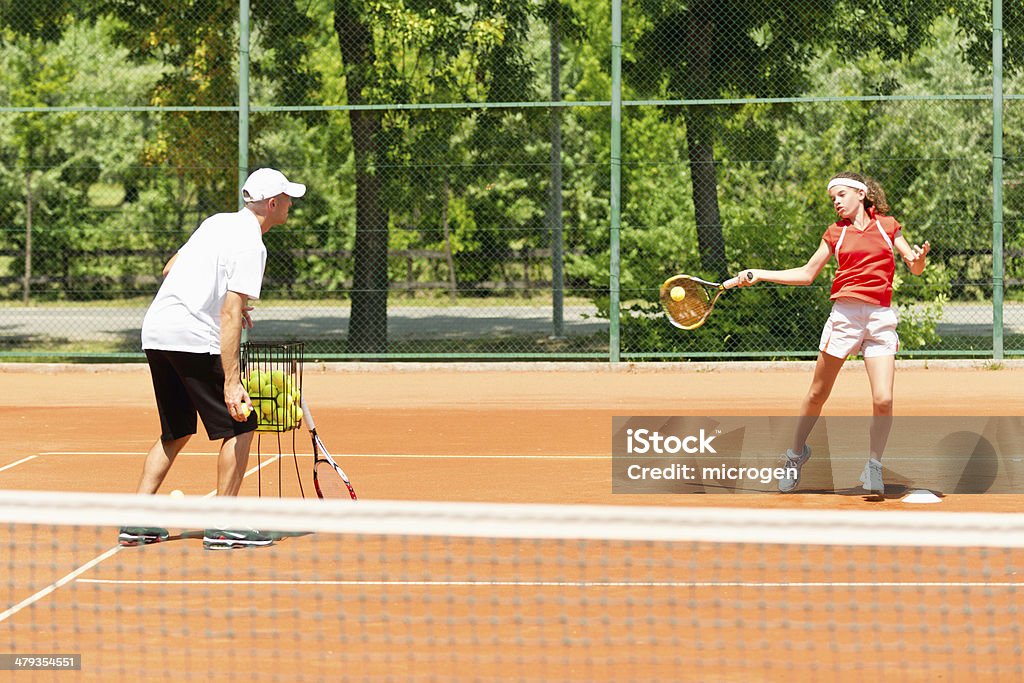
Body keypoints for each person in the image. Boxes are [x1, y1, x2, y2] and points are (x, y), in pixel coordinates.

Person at [118, 168, 306, 550]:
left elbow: (171, 268)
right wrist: (232, 381)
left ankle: (136, 522)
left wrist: (223, 300)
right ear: (272, 205)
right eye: (287, 198)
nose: (290, 203)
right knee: (242, 423)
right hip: (192, 338)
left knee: (177, 430)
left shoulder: (216, 223)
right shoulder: (253, 245)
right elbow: (228, 313)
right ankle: (223, 525)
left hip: (156, 330)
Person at [735, 171, 929, 495]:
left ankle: (873, 466)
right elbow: (808, 273)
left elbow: (914, 264)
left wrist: (918, 260)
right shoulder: (835, 233)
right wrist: (761, 274)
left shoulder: (887, 225)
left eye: (841, 195)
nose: (836, 202)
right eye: (833, 198)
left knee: (884, 399)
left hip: (880, 317)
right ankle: (796, 453)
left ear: (861, 194)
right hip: (845, 316)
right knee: (817, 394)